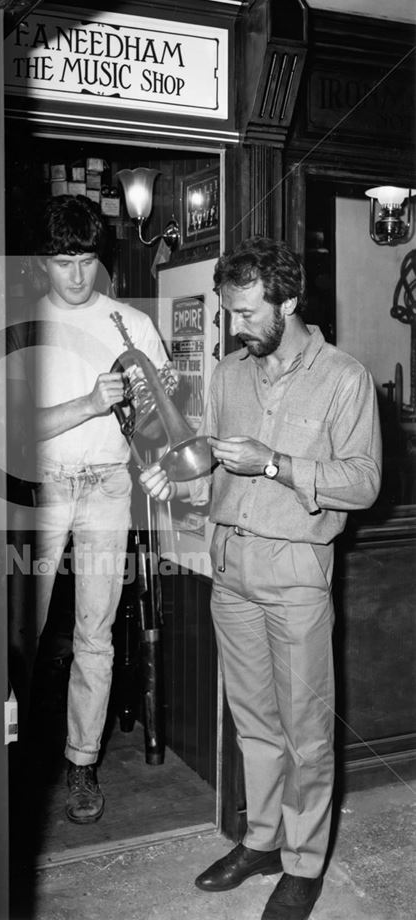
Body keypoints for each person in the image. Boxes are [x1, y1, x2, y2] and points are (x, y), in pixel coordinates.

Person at [140, 236, 381, 920]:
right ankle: (264, 840)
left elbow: (363, 483)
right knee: (253, 723)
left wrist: (274, 463)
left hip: (297, 572)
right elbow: (209, 457)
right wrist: (174, 468)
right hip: (232, 570)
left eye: (245, 312)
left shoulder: (344, 378)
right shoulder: (228, 373)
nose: (233, 325)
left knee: (306, 728)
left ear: (290, 302)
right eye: (227, 311)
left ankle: (305, 863)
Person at [8, 193, 169, 824]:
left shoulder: (132, 324)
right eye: (63, 261)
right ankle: (12, 760)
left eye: (87, 261)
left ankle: (81, 764)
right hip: (42, 486)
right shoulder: (21, 327)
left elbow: (162, 422)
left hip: (108, 486)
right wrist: (89, 403)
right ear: (42, 263)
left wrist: (152, 419)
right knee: (22, 633)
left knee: (94, 634)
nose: (77, 277)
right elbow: (8, 433)